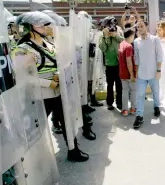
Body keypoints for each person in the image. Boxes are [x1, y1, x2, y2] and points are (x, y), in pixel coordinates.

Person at [13, 11, 89, 162]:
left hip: (59, 91)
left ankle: (73, 150)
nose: (44, 27)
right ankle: (32, 161)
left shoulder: (49, 43)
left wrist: (59, 74)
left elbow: (61, 61)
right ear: (29, 27)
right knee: (37, 128)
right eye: (39, 24)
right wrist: (49, 82)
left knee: (67, 122)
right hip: (40, 94)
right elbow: (23, 77)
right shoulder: (22, 48)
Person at [133, 20, 164, 129]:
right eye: (138, 27)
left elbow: (159, 55)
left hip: (153, 73)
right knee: (140, 95)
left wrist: (159, 71)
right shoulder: (136, 42)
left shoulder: (155, 40)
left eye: (141, 26)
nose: (139, 28)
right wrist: (136, 71)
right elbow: (136, 58)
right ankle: (139, 116)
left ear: (147, 27)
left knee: (155, 92)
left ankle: (156, 107)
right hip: (141, 74)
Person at [100, 17, 123, 111]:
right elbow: (103, 48)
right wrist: (107, 37)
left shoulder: (118, 32)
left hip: (119, 63)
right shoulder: (102, 35)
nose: (110, 28)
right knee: (110, 85)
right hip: (109, 64)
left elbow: (124, 41)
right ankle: (109, 103)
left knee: (119, 85)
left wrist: (115, 35)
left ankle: (119, 102)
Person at [118, 27, 137, 116]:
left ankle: (124, 110)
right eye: (133, 35)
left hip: (122, 73)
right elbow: (129, 61)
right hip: (129, 73)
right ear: (131, 35)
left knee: (125, 91)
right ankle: (133, 109)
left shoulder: (121, 44)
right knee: (133, 91)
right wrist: (132, 74)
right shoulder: (129, 46)